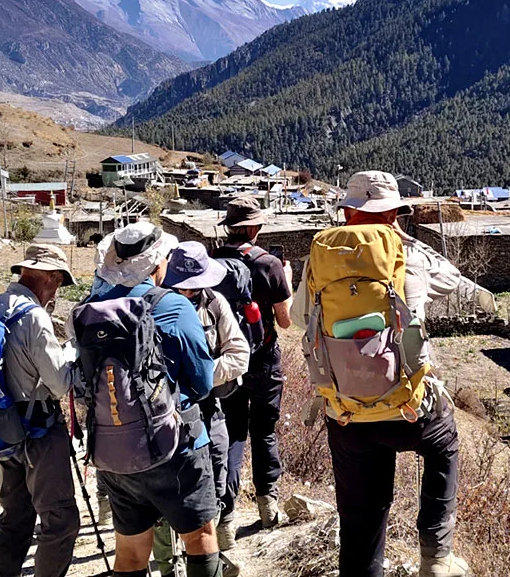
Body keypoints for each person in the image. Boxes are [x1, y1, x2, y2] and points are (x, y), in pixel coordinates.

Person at [290, 171, 468, 577]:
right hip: (409, 406)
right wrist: (404, 239)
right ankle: (436, 556)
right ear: (394, 214)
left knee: (361, 516)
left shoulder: (321, 258)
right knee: (444, 444)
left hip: (346, 409)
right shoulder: (408, 255)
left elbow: (301, 318)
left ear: (347, 212)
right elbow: (452, 278)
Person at [80, 222, 223, 577]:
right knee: (200, 538)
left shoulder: (92, 309)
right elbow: (203, 382)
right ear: (158, 262)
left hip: (114, 451)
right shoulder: (173, 305)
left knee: (130, 553)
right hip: (175, 447)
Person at [0, 244, 80, 577]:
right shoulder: (35, 317)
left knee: (16, 512)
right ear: (50, 277)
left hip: (0, 424)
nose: (57, 290)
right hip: (38, 428)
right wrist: (73, 357)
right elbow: (60, 384)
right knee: (61, 519)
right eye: (58, 281)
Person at [155, 241, 251, 577]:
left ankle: (215, 550)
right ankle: (169, 563)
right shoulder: (154, 304)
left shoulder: (214, 303)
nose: (192, 291)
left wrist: (201, 374)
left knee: (218, 468)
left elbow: (239, 354)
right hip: (163, 411)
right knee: (168, 488)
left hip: (207, 405)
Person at [213, 197, 293, 537]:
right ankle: (268, 509)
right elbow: (285, 321)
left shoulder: (211, 262)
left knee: (231, 433)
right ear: (254, 228)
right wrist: (288, 280)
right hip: (263, 360)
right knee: (264, 432)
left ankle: (225, 517)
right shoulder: (269, 264)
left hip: (225, 363)